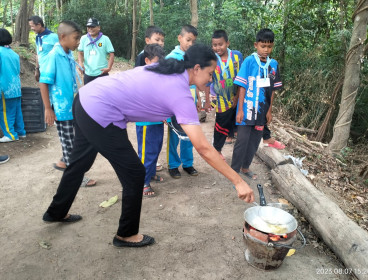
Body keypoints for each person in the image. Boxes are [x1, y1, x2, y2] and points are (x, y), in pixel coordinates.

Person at [41, 44, 254, 248]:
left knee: (79, 163)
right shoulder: (179, 92)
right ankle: (126, 234)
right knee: (134, 173)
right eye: (210, 74)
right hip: (100, 110)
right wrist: (237, 182)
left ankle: (56, 212)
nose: (211, 80)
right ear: (196, 68)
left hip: (86, 98)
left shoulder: (169, 67)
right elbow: (204, 148)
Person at [39, 20, 96, 187]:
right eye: (76, 38)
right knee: (72, 145)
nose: (78, 42)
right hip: (62, 111)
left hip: (72, 108)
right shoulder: (54, 56)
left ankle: (64, 161)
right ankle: (76, 177)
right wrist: (48, 108)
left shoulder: (67, 53)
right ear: (63, 36)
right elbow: (43, 82)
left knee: (73, 141)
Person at [231, 28, 282, 179]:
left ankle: (245, 167)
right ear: (256, 45)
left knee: (254, 141)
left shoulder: (273, 65)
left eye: (270, 46)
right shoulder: (249, 61)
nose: (266, 50)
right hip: (247, 110)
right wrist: (239, 110)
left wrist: (269, 111)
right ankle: (234, 171)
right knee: (242, 140)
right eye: (263, 46)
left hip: (261, 112)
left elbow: (273, 90)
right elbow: (242, 86)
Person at [166, 24, 199, 179]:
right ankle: (173, 165)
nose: (190, 44)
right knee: (174, 135)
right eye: (188, 40)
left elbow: (197, 79)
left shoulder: (193, 57)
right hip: (175, 104)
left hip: (189, 102)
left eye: (193, 41)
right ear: (180, 38)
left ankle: (187, 163)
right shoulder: (171, 58)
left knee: (189, 134)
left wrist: (198, 99)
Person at [135, 44, 166, 197]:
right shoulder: (141, 77)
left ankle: (151, 174)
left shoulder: (158, 77)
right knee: (146, 153)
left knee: (156, 149)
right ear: (146, 60)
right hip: (146, 122)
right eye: (156, 62)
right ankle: (142, 182)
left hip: (157, 121)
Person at [208, 29, 243, 160]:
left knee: (237, 122)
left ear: (227, 43)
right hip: (221, 97)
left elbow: (242, 76)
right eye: (214, 45)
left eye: (220, 44)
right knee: (220, 123)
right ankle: (217, 149)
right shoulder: (211, 59)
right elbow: (207, 79)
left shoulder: (237, 56)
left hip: (237, 95)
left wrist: (238, 95)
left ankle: (239, 151)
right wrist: (207, 99)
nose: (218, 48)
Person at [0, 28, 26, 143]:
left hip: (4, 88)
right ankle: (21, 132)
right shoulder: (13, 53)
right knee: (16, 111)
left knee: (5, 112)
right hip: (16, 88)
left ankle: (10, 134)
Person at [78, 18, 115, 85]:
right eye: (88, 27)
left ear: (99, 27)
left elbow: (111, 54)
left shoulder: (105, 39)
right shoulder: (84, 38)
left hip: (102, 73)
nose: (90, 29)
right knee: (88, 93)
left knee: (103, 94)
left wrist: (109, 68)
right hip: (88, 73)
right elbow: (80, 52)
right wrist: (80, 63)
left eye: (93, 27)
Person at [28, 16, 59, 82]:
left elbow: (61, 53)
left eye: (32, 26)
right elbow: (38, 54)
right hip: (43, 71)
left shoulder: (54, 37)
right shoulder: (38, 38)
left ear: (39, 25)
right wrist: (37, 69)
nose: (31, 28)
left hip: (54, 72)